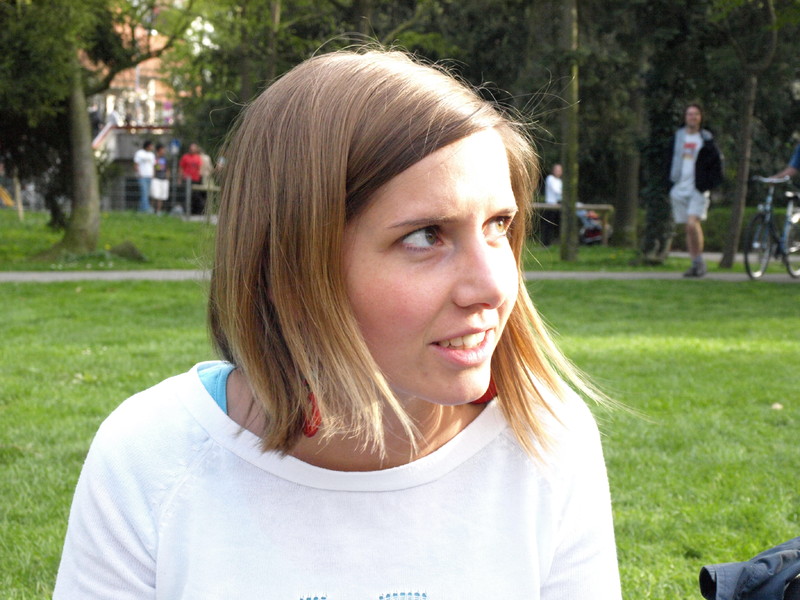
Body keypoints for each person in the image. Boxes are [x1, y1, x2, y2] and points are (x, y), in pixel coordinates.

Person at [54, 49, 621, 599]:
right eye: (425, 236)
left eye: (498, 225)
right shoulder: (151, 457)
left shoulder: (546, 442)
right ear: (291, 263)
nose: (495, 286)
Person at [668, 102, 724, 277]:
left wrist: (708, 184)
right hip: (679, 187)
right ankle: (695, 264)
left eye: (696, 114)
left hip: (698, 188)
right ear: (685, 117)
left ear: (700, 117)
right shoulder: (678, 138)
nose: (692, 117)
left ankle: (699, 262)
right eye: (689, 114)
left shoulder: (706, 139)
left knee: (693, 223)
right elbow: (668, 159)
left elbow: (716, 163)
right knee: (687, 227)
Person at [540, 163, 563, 245]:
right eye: (556, 170)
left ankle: (556, 242)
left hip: (558, 205)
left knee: (558, 225)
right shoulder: (550, 178)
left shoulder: (560, 181)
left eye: (559, 170)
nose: (558, 172)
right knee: (548, 225)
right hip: (550, 205)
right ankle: (545, 243)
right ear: (553, 171)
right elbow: (556, 190)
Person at [179, 142, 204, 214]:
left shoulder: (198, 157)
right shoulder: (185, 157)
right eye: (191, 149)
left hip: (196, 179)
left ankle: (195, 211)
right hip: (187, 179)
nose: (192, 150)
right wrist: (180, 178)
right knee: (187, 195)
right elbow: (181, 168)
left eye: (193, 149)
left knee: (196, 195)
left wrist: (201, 177)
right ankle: (186, 211)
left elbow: (200, 168)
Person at [132, 140, 156, 213]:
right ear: (148, 146)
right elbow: (136, 164)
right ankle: (146, 209)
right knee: (144, 192)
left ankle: (141, 209)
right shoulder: (140, 153)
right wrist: (139, 174)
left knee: (146, 194)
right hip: (142, 176)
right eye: (151, 145)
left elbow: (153, 165)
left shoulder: (152, 155)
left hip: (149, 177)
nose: (152, 147)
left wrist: (153, 174)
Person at [150, 143, 169, 215]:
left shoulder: (165, 159)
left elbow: (167, 169)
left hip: (163, 179)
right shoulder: (154, 158)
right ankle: (152, 209)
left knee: (161, 196)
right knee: (154, 195)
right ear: (159, 150)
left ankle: (158, 211)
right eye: (162, 150)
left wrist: (167, 177)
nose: (164, 151)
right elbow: (154, 168)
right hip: (156, 179)